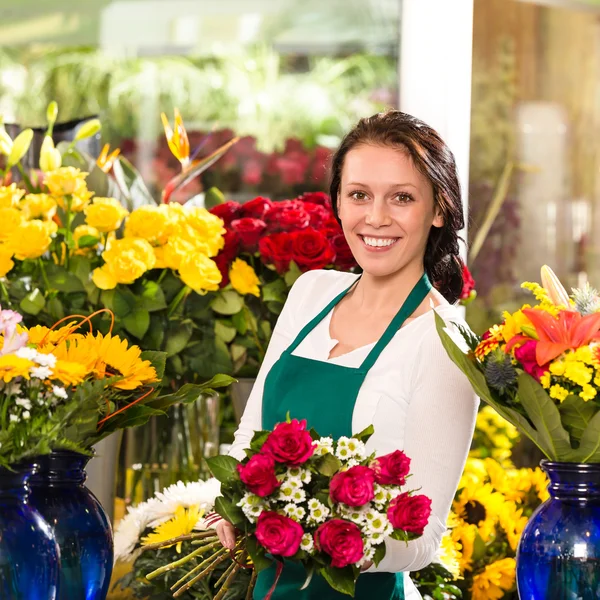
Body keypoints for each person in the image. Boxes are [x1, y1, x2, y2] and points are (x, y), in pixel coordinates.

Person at [215, 110, 479, 599]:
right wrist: (229, 505)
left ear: (439, 208)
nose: (376, 218)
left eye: (402, 197)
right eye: (359, 194)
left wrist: (317, 536)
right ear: (337, 200)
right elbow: (250, 436)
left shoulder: (444, 339)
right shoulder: (311, 293)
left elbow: (423, 537)